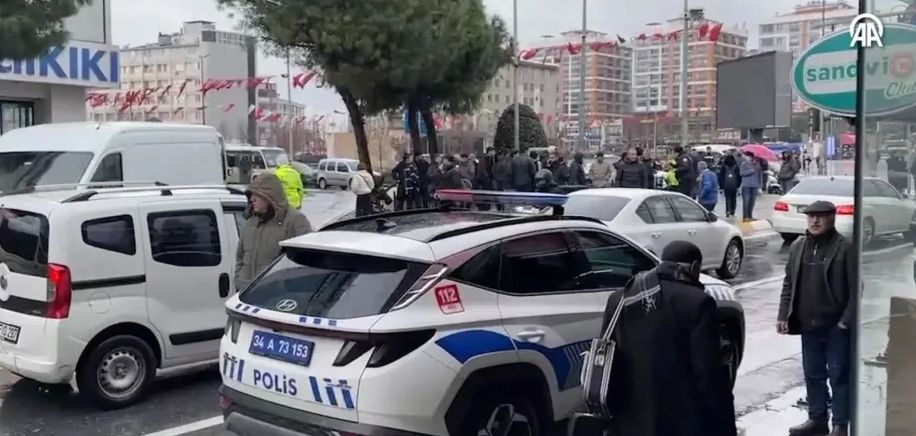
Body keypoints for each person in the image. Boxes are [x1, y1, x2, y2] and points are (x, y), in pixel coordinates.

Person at [600, 240, 737, 436]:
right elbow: (707, 373)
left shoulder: (620, 299)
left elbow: (609, 356)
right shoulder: (698, 302)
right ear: (694, 267)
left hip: (629, 419)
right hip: (679, 421)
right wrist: (724, 423)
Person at [777, 201, 854, 436]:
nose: (815, 221)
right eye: (811, 216)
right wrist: (783, 314)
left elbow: (856, 290)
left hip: (835, 326)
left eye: (820, 216)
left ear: (832, 218)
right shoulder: (798, 246)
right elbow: (789, 282)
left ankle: (840, 424)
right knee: (813, 374)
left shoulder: (845, 248)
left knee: (839, 376)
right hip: (808, 324)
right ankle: (817, 419)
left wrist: (845, 322)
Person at [235, 173, 313, 291]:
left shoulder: (295, 221)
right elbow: (240, 257)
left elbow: (306, 263)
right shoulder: (251, 222)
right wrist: (239, 280)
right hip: (245, 294)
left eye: (257, 195)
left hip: (276, 296)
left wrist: (284, 288)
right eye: (251, 195)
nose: (252, 199)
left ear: (270, 197)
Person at [739, 151, 762, 222]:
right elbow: (742, 173)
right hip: (746, 185)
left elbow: (760, 175)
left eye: (749, 156)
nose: (747, 158)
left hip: (755, 185)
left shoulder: (757, 164)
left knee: (752, 201)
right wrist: (751, 170)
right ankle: (745, 217)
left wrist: (760, 185)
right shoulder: (743, 164)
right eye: (746, 156)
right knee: (746, 201)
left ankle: (750, 215)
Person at [718, 152, 741, 218]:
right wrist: (738, 186)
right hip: (734, 186)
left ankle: (727, 210)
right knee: (734, 198)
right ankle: (732, 211)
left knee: (727, 198)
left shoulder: (724, 167)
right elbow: (739, 177)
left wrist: (721, 187)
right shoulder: (736, 167)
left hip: (726, 186)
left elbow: (721, 177)